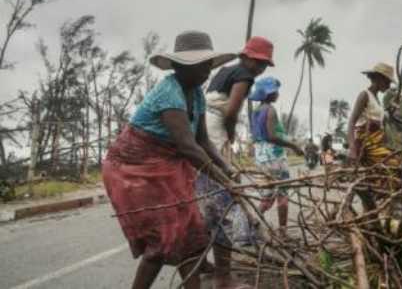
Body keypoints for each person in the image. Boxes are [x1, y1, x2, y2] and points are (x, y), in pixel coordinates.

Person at [101, 31, 239, 289]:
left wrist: (227, 170)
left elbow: (204, 142)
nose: (206, 72)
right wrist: (225, 182)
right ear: (179, 66)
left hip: (165, 167)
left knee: (190, 234)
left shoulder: (197, 94)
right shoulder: (169, 92)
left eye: (208, 65)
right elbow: (188, 147)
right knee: (164, 236)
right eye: (199, 66)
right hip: (134, 169)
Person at [195, 36, 273, 286]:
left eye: (265, 65)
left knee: (205, 204)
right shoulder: (244, 75)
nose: (261, 68)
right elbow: (231, 112)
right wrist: (230, 135)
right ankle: (223, 279)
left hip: (201, 131)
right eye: (259, 62)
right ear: (247, 57)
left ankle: (200, 264)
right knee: (222, 207)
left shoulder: (224, 71)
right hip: (214, 133)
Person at [249, 77, 304, 238]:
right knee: (283, 194)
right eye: (275, 91)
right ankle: (282, 233)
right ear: (269, 93)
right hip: (276, 157)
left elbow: (259, 136)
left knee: (266, 196)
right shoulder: (270, 110)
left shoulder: (256, 111)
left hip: (261, 158)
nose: (277, 93)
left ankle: (251, 229)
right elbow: (272, 136)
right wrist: (293, 146)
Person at [347, 62, 397, 167]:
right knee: (393, 164)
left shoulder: (377, 99)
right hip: (367, 145)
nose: (388, 86)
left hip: (377, 144)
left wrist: (389, 110)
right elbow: (352, 122)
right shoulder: (364, 95)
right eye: (387, 82)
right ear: (379, 78)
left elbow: (376, 117)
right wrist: (352, 149)